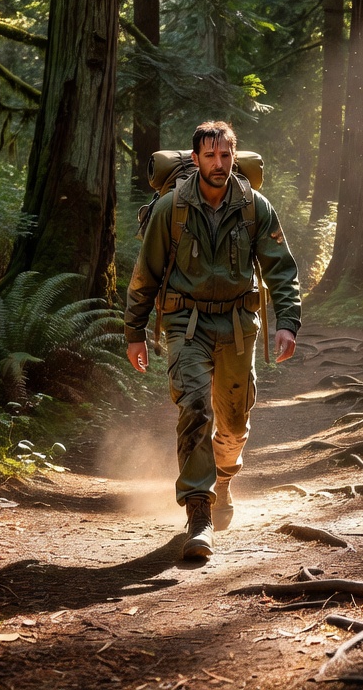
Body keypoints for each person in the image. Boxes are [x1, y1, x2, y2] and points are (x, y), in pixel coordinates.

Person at [124, 121, 301, 560]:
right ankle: (198, 515)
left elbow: (281, 268)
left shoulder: (254, 206)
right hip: (186, 324)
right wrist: (135, 333)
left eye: (225, 156)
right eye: (209, 156)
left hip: (240, 327)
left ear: (234, 158)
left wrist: (287, 322)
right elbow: (145, 274)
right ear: (196, 158)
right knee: (195, 407)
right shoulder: (172, 208)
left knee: (235, 423)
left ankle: (222, 480)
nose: (218, 164)